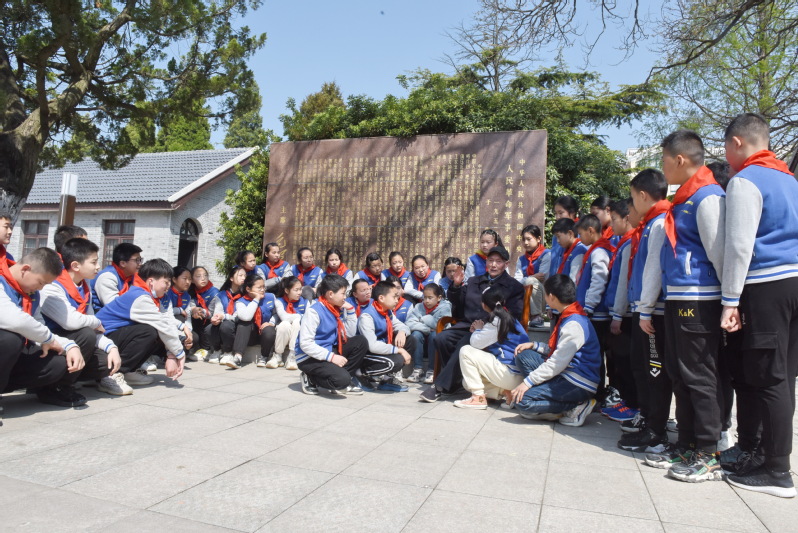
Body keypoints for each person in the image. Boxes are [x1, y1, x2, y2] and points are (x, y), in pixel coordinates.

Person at [641, 130, 726, 483]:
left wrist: (731, 302)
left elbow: (720, 254)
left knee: (699, 376)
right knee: (679, 373)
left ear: (680, 159)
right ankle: (688, 444)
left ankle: (709, 452)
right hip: (678, 298)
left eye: (664, 161)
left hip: (700, 299)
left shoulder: (708, 197)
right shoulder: (683, 200)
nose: (663, 168)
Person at [720, 113, 798, 498]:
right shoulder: (789, 179)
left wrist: (730, 300)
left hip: (768, 284)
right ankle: (762, 454)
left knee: (768, 377)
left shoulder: (746, 180)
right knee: (784, 377)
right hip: (794, 282)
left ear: (736, 142)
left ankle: (777, 470)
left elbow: (739, 245)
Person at [421, 246, 524, 402]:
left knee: (466, 342)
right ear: (485, 262)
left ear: (506, 264)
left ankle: (440, 386)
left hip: (492, 331)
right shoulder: (474, 281)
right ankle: (455, 382)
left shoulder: (513, 286)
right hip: (466, 325)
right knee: (441, 338)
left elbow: (513, 314)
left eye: (498, 261)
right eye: (490, 260)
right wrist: (456, 286)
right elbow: (459, 304)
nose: (493, 265)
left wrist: (486, 325)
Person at [617, 169, 673, 453]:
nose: (631, 205)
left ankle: (656, 432)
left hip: (654, 311)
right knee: (642, 369)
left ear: (642, 195)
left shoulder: (660, 222)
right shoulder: (649, 224)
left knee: (654, 372)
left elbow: (654, 269)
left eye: (632, 197)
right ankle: (648, 421)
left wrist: (647, 309)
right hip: (644, 308)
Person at [509, 274, 600, 427]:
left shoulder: (574, 324)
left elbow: (557, 362)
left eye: (545, 294)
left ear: (551, 297)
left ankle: (576, 406)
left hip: (577, 382)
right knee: (524, 355)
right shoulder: (569, 314)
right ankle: (542, 397)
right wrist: (534, 345)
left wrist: (527, 383)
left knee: (523, 402)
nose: (545, 298)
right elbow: (557, 351)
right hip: (566, 372)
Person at [40, 239, 125, 396]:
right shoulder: (53, 286)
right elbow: (71, 321)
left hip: (73, 341)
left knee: (105, 361)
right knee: (86, 334)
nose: (98, 267)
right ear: (75, 265)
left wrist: (111, 347)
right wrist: (96, 321)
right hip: (50, 344)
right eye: (93, 262)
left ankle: (70, 379)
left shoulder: (84, 288)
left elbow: (92, 325)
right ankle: (56, 387)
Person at [0, 248, 80, 406]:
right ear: (25, 269)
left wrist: (70, 346)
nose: (41, 288)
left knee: (56, 365)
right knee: (10, 339)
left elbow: (38, 327)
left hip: (12, 354)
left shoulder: (32, 295)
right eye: (41, 282)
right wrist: (47, 338)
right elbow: (16, 320)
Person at [96, 258, 192, 384]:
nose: (169, 286)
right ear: (151, 281)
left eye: (169, 281)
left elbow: (167, 321)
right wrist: (179, 355)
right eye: (166, 281)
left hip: (117, 336)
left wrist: (172, 354)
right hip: (103, 337)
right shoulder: (140, 297)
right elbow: (162, 325)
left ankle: (129, 371)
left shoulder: (155, 297)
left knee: (156, 332)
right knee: (149, 331)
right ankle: (112, 374)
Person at [454, 286, 530, 409]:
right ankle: (507, 392)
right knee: (467, 383)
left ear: (484, 305)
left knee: (466, 351)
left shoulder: (497, 321)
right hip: (519, 374)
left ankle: (478, 398)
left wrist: (478, 329)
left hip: (511, 374)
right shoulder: (509, 318)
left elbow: (475, 343)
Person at [295, 274, 369, 396]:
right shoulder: (314, 311)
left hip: (328, 349)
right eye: (343, 293)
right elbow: (306, 344)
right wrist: (332, 357)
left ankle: (344, 378)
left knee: (360, 341)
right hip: (308, 357)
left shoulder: (334, 308)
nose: (345, 297)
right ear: (330, 294)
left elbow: (349, 334)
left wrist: (351, 311)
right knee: (341, 380)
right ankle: (310, 377)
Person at [600, 198, 640, 423]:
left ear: (627, 218)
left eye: (614, 219)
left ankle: (633, 405)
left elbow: (624, 282)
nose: (611, 224)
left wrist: (617, 314)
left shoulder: (630, 242)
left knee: (627, 362)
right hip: (620, 311)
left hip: (625, 314)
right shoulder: (624, 243)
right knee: (621, 362)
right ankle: (627, 401)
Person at [574, 214, 614, 405]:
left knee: (595, 355)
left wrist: (589, 305)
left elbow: (599, 279)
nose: (580, 238)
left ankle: (597, 394)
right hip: (592, 312)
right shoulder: (595, 250)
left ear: (590, 231)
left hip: (597, 313)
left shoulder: (599, 251)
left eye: (581, 234)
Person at [357, 280, 415, 392]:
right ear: (381, 298)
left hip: (381, 349)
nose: (397, 300)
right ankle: (360, 374)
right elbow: (372, 346)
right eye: (394, 297)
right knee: (397, 361)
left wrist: (402, 332)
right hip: (366, 355)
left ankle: (387, 380)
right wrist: (399, 350)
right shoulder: (367, 316)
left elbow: (403, 326)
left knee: (410, 340)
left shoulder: (387, 312)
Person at [223, 273, 276, 369]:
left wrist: (271, 322)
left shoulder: (271, 297)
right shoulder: (241, 301)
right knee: (244, 323)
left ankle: (264, 357)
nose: (262, 290)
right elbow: (246, 317)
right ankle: (237, 357)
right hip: (249, 335)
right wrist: (256, 299)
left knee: (269, 329)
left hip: (266, 333)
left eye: (263, 287)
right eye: (259, 288)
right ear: (248, 289)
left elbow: (277, 314)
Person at [405, 283, 451, 384]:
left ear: (439, 298)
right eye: (425, 297)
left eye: (430, 298)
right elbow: (409, 323)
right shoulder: (419, 306)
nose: (427, 301)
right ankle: (418, 369)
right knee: (416, 334)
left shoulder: (445, 307)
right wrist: (427, 329)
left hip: (437, 341)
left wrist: (423, 319)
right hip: (423, 339)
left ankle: (432, 370)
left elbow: (439, 325)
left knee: (434, 335)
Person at [514, 224, 550, 328]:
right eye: (523, 239)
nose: (525, 243)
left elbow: (543, 277)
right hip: (526, 294)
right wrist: (533, 276)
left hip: (545, 296)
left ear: (539, 239)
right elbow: (516, 282)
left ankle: (537, 316)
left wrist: (528, 279)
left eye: (529, 239)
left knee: (531, 282)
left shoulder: (546, 255)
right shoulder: (521, 259)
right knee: (528, 281)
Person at [208, 265, 246, 364]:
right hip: (224, 320)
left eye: (244, 276)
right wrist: (216, 318)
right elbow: (218, 311)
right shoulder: (221, 295)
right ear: (231, 278)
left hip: (238, 323)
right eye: (240, 275)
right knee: (209, 328)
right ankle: (217, 350)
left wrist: (224, 316)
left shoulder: (245, 295)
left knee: (226, 325)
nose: (243, 278)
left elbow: (240, 315)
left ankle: (228, 352)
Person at [269, 276, 308, 370]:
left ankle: (292, 355)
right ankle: (278, 355)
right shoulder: (279, 301)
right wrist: (300, 315)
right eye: (296, 290)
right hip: (284, 329)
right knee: (284, 324)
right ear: (287, 290)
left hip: (298, 329)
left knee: (297, 322)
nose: (299, 292)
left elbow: (308, 318)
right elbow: (284, 318)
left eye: (300, 289)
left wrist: (298, 318)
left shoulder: (306, 302)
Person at [90, 242, 141, 311]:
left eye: (140, 260)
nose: (140, 264)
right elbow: (114, 306)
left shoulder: (132, 277)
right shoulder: (107, 277)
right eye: (137, 260)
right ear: (123, 263)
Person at [165, 266, 198, 363]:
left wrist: (188, 331)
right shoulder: (167, 293)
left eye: (190, 279)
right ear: (174, 279)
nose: (188, 282)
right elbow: (165, 312)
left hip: (181, 326)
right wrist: (179, 310)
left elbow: (187, 315)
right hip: (169, 323)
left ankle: (182, 354)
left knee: (194, 337)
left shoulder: (187, 296)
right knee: (180, 317)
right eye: (184, 278)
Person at [188, 266, 219, 362]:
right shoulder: (191, 292)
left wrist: (201, 312)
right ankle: (195, 348)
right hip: (198, 318)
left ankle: (206, 350)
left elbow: (213, 313)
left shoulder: (214, 293)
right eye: (198, 276)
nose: (203, 278)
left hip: (211, 319)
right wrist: (194, 310)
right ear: (192, 280)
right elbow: (190, 306)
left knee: (205, 322)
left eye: (205, 275)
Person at [548, 195, 580, 278]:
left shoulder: (581, 233)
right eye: (555, 213)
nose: (557, 217)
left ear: (572, 213)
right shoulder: (556, 234)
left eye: (561, 213)